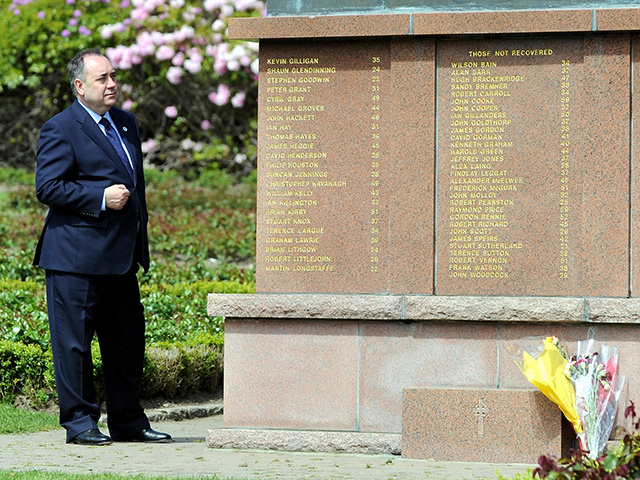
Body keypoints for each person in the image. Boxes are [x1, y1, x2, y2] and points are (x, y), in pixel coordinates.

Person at [33, 48, 171, 446]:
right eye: (102, 79)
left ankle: (128, 422)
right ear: (79, 86)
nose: (112, 84)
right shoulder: (60, 127)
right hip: (75, 259)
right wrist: (99, 196)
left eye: (113, 76)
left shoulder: (125, 123)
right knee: (74, 348)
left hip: (122, 258)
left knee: (127, 344)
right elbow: (48, 187)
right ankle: (79, 425)